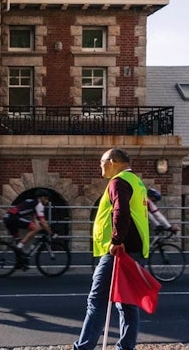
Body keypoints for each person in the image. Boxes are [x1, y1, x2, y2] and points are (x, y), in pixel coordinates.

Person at [73, 148, 150, 350]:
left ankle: (83, 347)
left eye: (102, 161)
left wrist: (116, 240)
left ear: (113, 161)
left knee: (96, 300)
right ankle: (125, 347)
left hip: (118, 251)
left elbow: (121, 210)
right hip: (136, 249)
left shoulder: (118, 182)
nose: (100, 166)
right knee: (127, 304)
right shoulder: (137, 181)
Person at [3, 191, 52, 269]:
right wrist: (50, 233)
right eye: (46, 199)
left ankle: (20, 263)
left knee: (18, 241)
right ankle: (19, 246)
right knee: (35, 229)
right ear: (41, 198)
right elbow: (42, 221)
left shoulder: (32, 202)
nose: (47, 201)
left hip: (7, 217)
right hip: (14, 218)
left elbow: (36, 219)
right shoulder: (39, 205)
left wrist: (41, 228)